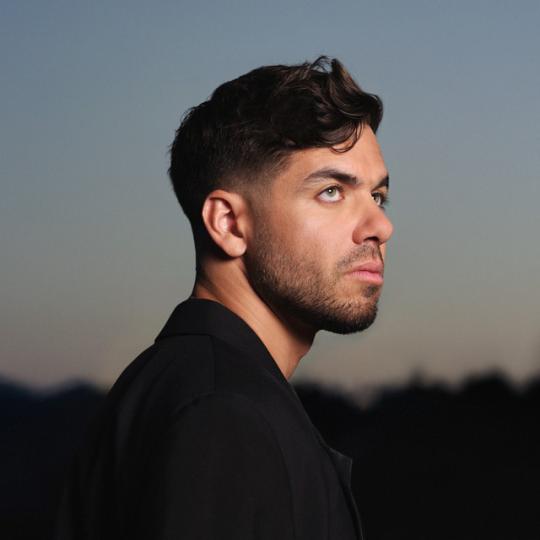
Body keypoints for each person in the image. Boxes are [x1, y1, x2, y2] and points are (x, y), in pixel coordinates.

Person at [55, 56, 393, 540]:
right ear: (228, 224)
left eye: (378, 197)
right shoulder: (223, 413)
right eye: (332, 192)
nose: (380, 226)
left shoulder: (193, 386)